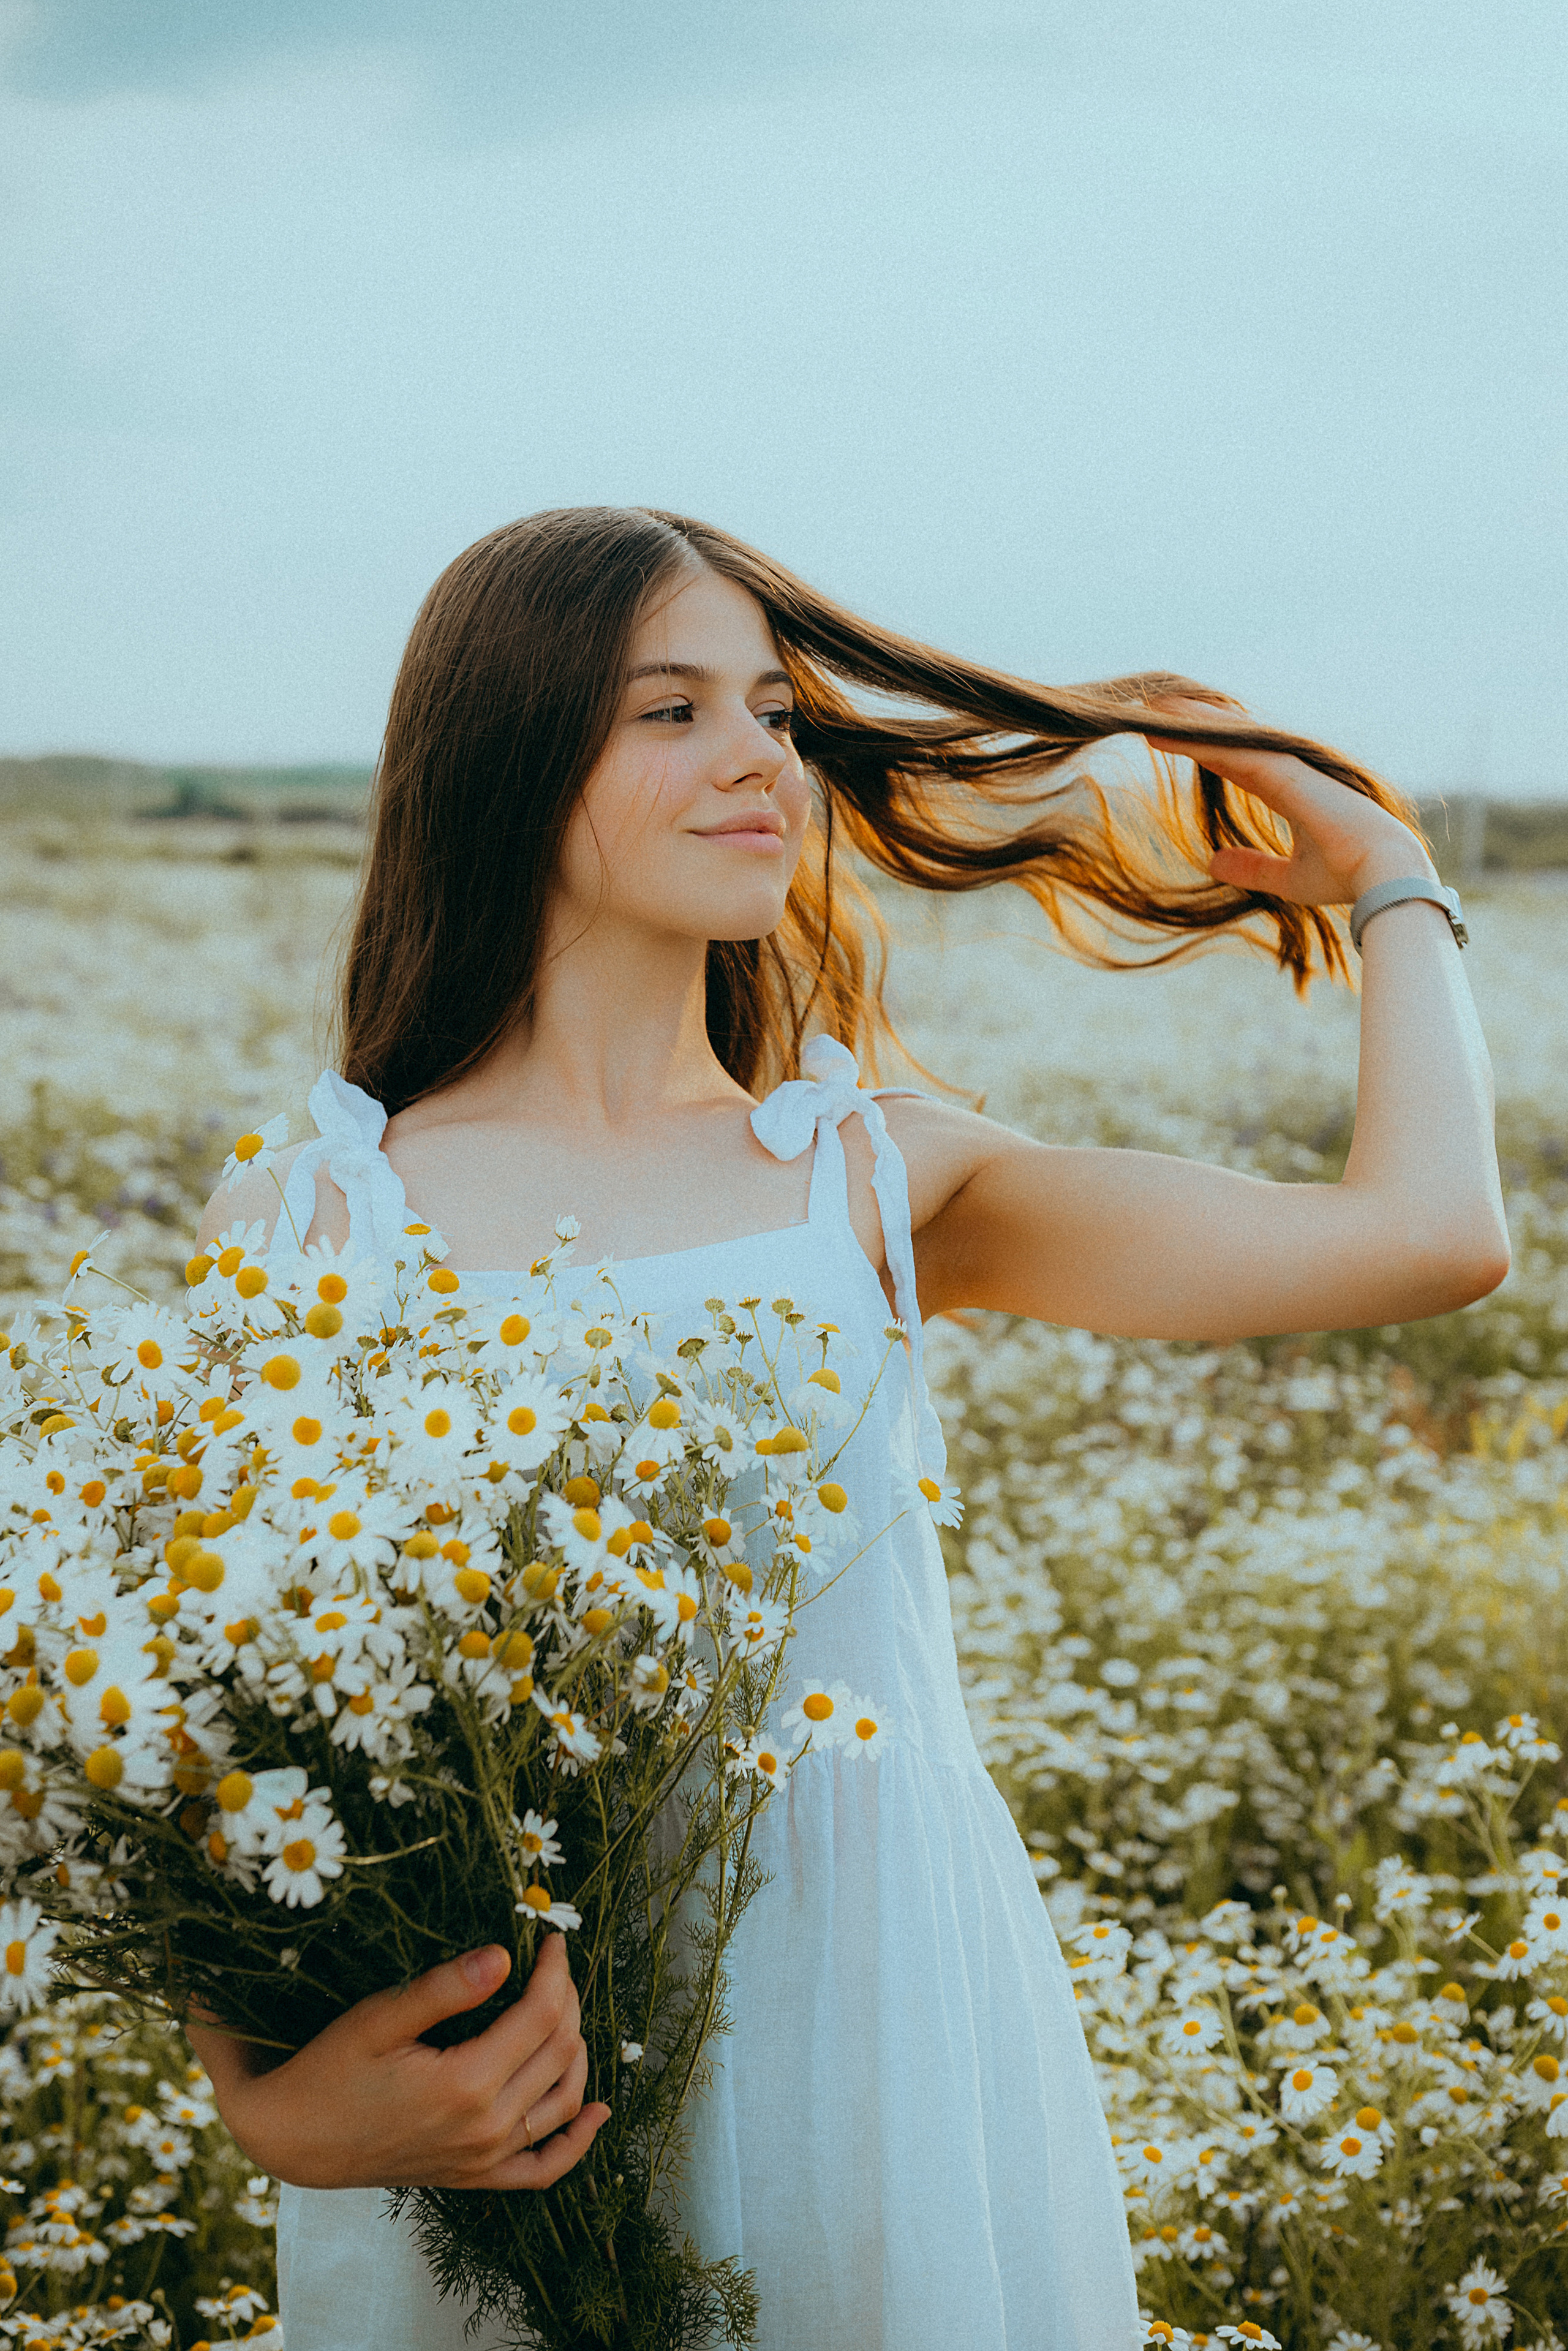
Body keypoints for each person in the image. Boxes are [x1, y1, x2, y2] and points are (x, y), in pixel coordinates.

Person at [187, 507, 1507, 2350]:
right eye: (672, 711)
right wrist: (271, 2108)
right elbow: (219, 1734)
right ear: (503, 756)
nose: (759, 760)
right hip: (491, 2109)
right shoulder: (316, 1220)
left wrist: (1393, 883)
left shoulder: (875, 1184)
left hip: (873, 2057)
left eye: (779, 713)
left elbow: (1432, 1238)